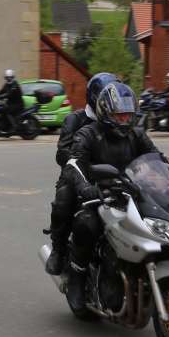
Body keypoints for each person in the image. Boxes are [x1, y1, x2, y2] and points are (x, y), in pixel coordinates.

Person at [57, 82, 167, 302]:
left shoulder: (137, 134)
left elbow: (157, 159)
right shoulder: (88, 134)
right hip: (99, 195)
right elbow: (73, 164)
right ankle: (77, 277)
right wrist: (86, 187)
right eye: (119, 116)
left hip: (132, 193)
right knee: (86, 224)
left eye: (128, 115)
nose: (124, 120)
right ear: (106, 113)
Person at [44, 72, 117, 275]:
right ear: (95, 97)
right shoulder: (75, 120)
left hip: (112, 177)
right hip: (78, 177)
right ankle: (58, 250)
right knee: (64, 199)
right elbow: (62, 154)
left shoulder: (116, 120)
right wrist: (87, 162)